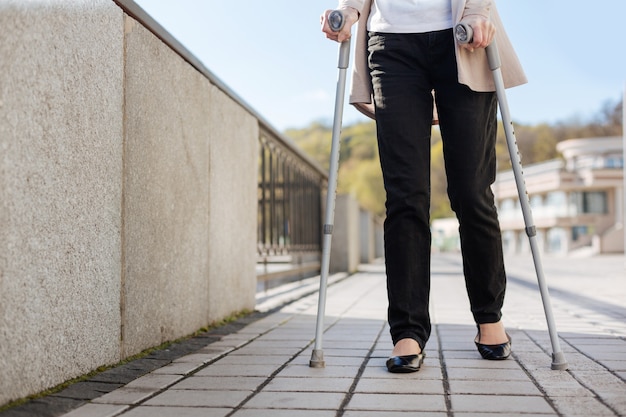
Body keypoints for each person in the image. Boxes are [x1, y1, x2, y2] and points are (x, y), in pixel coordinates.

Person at [321, 0, 527, 373]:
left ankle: (489, 317)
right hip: (391, 44)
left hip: (463, 37)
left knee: (472, 191)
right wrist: (349, 8)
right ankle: (408, 331)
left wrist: (479, 10)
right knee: (404, 197)